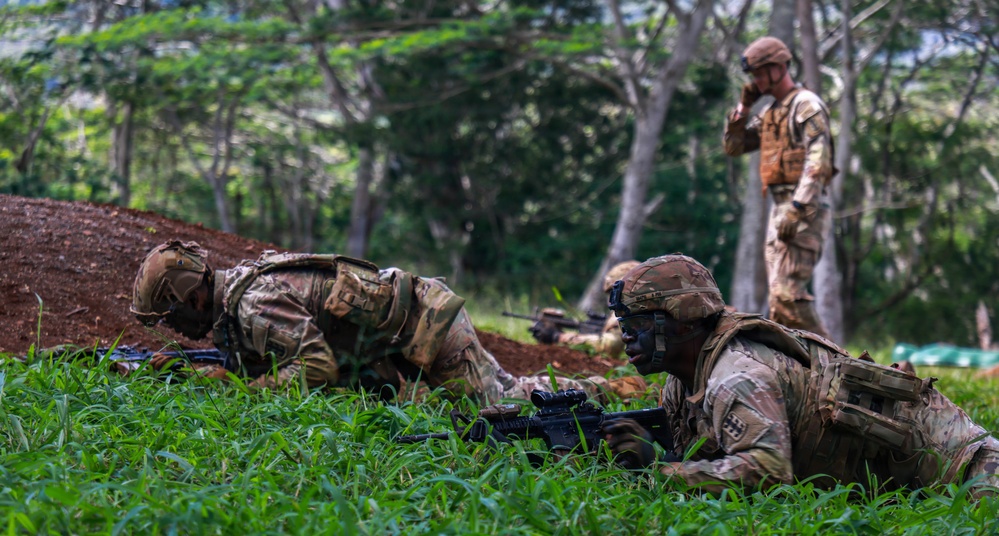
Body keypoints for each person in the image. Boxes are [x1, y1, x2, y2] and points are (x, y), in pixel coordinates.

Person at [600, 254, 999, 497]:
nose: (627, 336)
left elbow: (768, 472)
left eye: (638, 324)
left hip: (966, 469)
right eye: (623, 324)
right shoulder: (683, 377)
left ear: (682, 321)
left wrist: (661, 470)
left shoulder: (736, 375)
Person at [130, 240, 638, 405]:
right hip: (401, 334)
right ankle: (613, 389)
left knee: (503, 404)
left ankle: (618, 393)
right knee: (501, 397)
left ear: (192, 298)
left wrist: (248, 388)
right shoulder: (239, 295)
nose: (175, 328)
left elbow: (315, 365)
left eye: (172, 316)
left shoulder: (252, 302)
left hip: (426, 327)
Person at [723, 36, 835, 339]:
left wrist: (798, 208)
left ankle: (843, 367)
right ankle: (792, 371)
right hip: (780, 209)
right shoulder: (772, 111)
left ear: (779, 67)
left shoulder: (806, 105)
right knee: (779, 300)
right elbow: (734, 146)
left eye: (760, 73)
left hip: (803, 209)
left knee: (787, 294)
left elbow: (819, 161)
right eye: (754, 76)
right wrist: (743, 107)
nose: (757, 81)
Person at [531, 260, 640, 360]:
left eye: (615, 292)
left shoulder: (633, 313)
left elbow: (610, 346)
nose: (611, 299)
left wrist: (559, 337)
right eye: (610, 293)